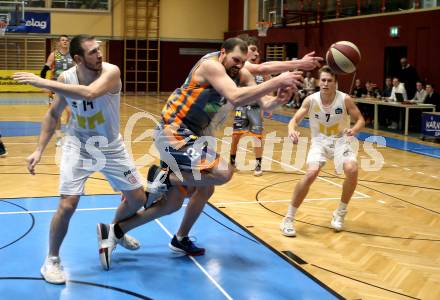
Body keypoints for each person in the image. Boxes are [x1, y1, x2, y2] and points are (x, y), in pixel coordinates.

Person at [89, 38, 304, 266]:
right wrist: (279, 79)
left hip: (193, 136)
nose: (238, 66)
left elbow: (264, 104)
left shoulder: (240, 74)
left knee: (180, 200)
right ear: (223, 53)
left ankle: (118, 230)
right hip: (173, 131)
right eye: (235, 60)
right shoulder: (212, 65)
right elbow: (235, 96)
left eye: (243, 62)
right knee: (222, 172)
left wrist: (278, 99)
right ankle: (165, 177)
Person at [13, 35, 146, 284]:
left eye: (99, 49)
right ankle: (52, 259)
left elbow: (90, 93)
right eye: (93, 52)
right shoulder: (66, 78)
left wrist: (45, 83)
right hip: (78, 144)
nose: (100, 54)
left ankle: (114, 231)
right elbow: (53, 115)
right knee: (68, 204)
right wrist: (39, 150)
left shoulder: (111, 72)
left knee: (137, 198)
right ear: (78, 59)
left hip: (110, 145)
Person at [279, 66, 365, 237]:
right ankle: (288, 218)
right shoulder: (311, 100)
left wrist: (354, 130)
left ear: (336, 83)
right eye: (323, 80)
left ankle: (340, 213)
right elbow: (294, 120)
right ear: (319, 81)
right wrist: (291, 130)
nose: (325, 83)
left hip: (341, 141)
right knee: (311, 173)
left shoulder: (345, 99)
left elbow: (360, 119)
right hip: (320, 142)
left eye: (329, 80)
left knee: (352, 170)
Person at [229, 35, 322, 176]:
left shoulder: (247, 74)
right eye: (253, 50)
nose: (257, 53)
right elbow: (263, 67)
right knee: (236, 136)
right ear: (242, 50)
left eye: (257, 51)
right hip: (237, 107)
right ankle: (232, 161)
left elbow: (263, 92)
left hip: (254, 107)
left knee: (257, 136)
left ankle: (258, 165)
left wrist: (277, 100)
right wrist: (299, 63)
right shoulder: (241, 66)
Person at [40, 35, 75, 146]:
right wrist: (43, 81)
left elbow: (77, 69)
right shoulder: (54, 54)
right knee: (57, 114)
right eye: (62, 40)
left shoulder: (72, 55)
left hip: (68, 87)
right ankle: (59, 137)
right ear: (59, 43)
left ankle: (67, 134)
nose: (65, 42)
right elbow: (46, 67)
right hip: (55, 87)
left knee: (70, 112)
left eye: (66, 40)